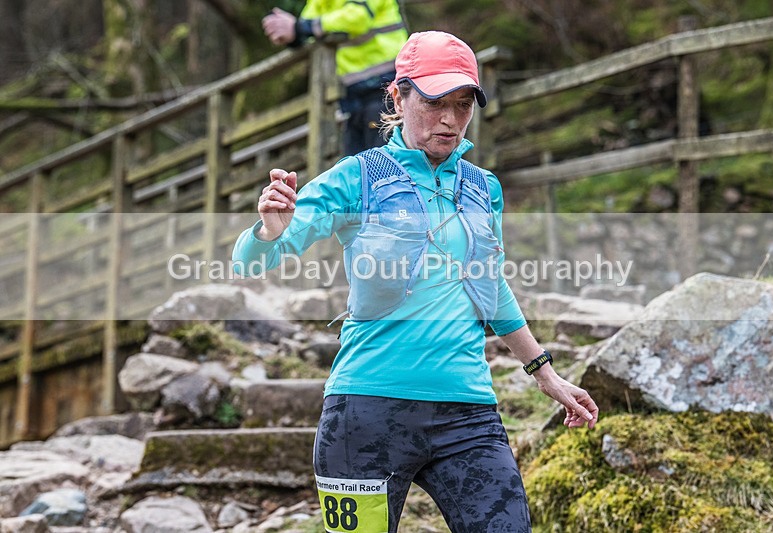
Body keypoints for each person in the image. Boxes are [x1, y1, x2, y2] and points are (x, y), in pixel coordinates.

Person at [233, 31, 599, 533]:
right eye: (433, 103)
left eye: (463, 104)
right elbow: (251, 261)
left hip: (467, 415)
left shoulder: (482, 188)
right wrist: (268, 229)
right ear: (398, 96)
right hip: (365, 414)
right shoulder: (355, 178)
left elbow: (488, 285)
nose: (449, 119)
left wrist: (545, 373)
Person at [262, 0, 408, 155]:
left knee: (386, 162)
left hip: (387, 89)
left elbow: (356, 19)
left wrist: (299, 28)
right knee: (356, 167)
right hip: (353, 100)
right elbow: (308, 29)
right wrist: (292, 33)